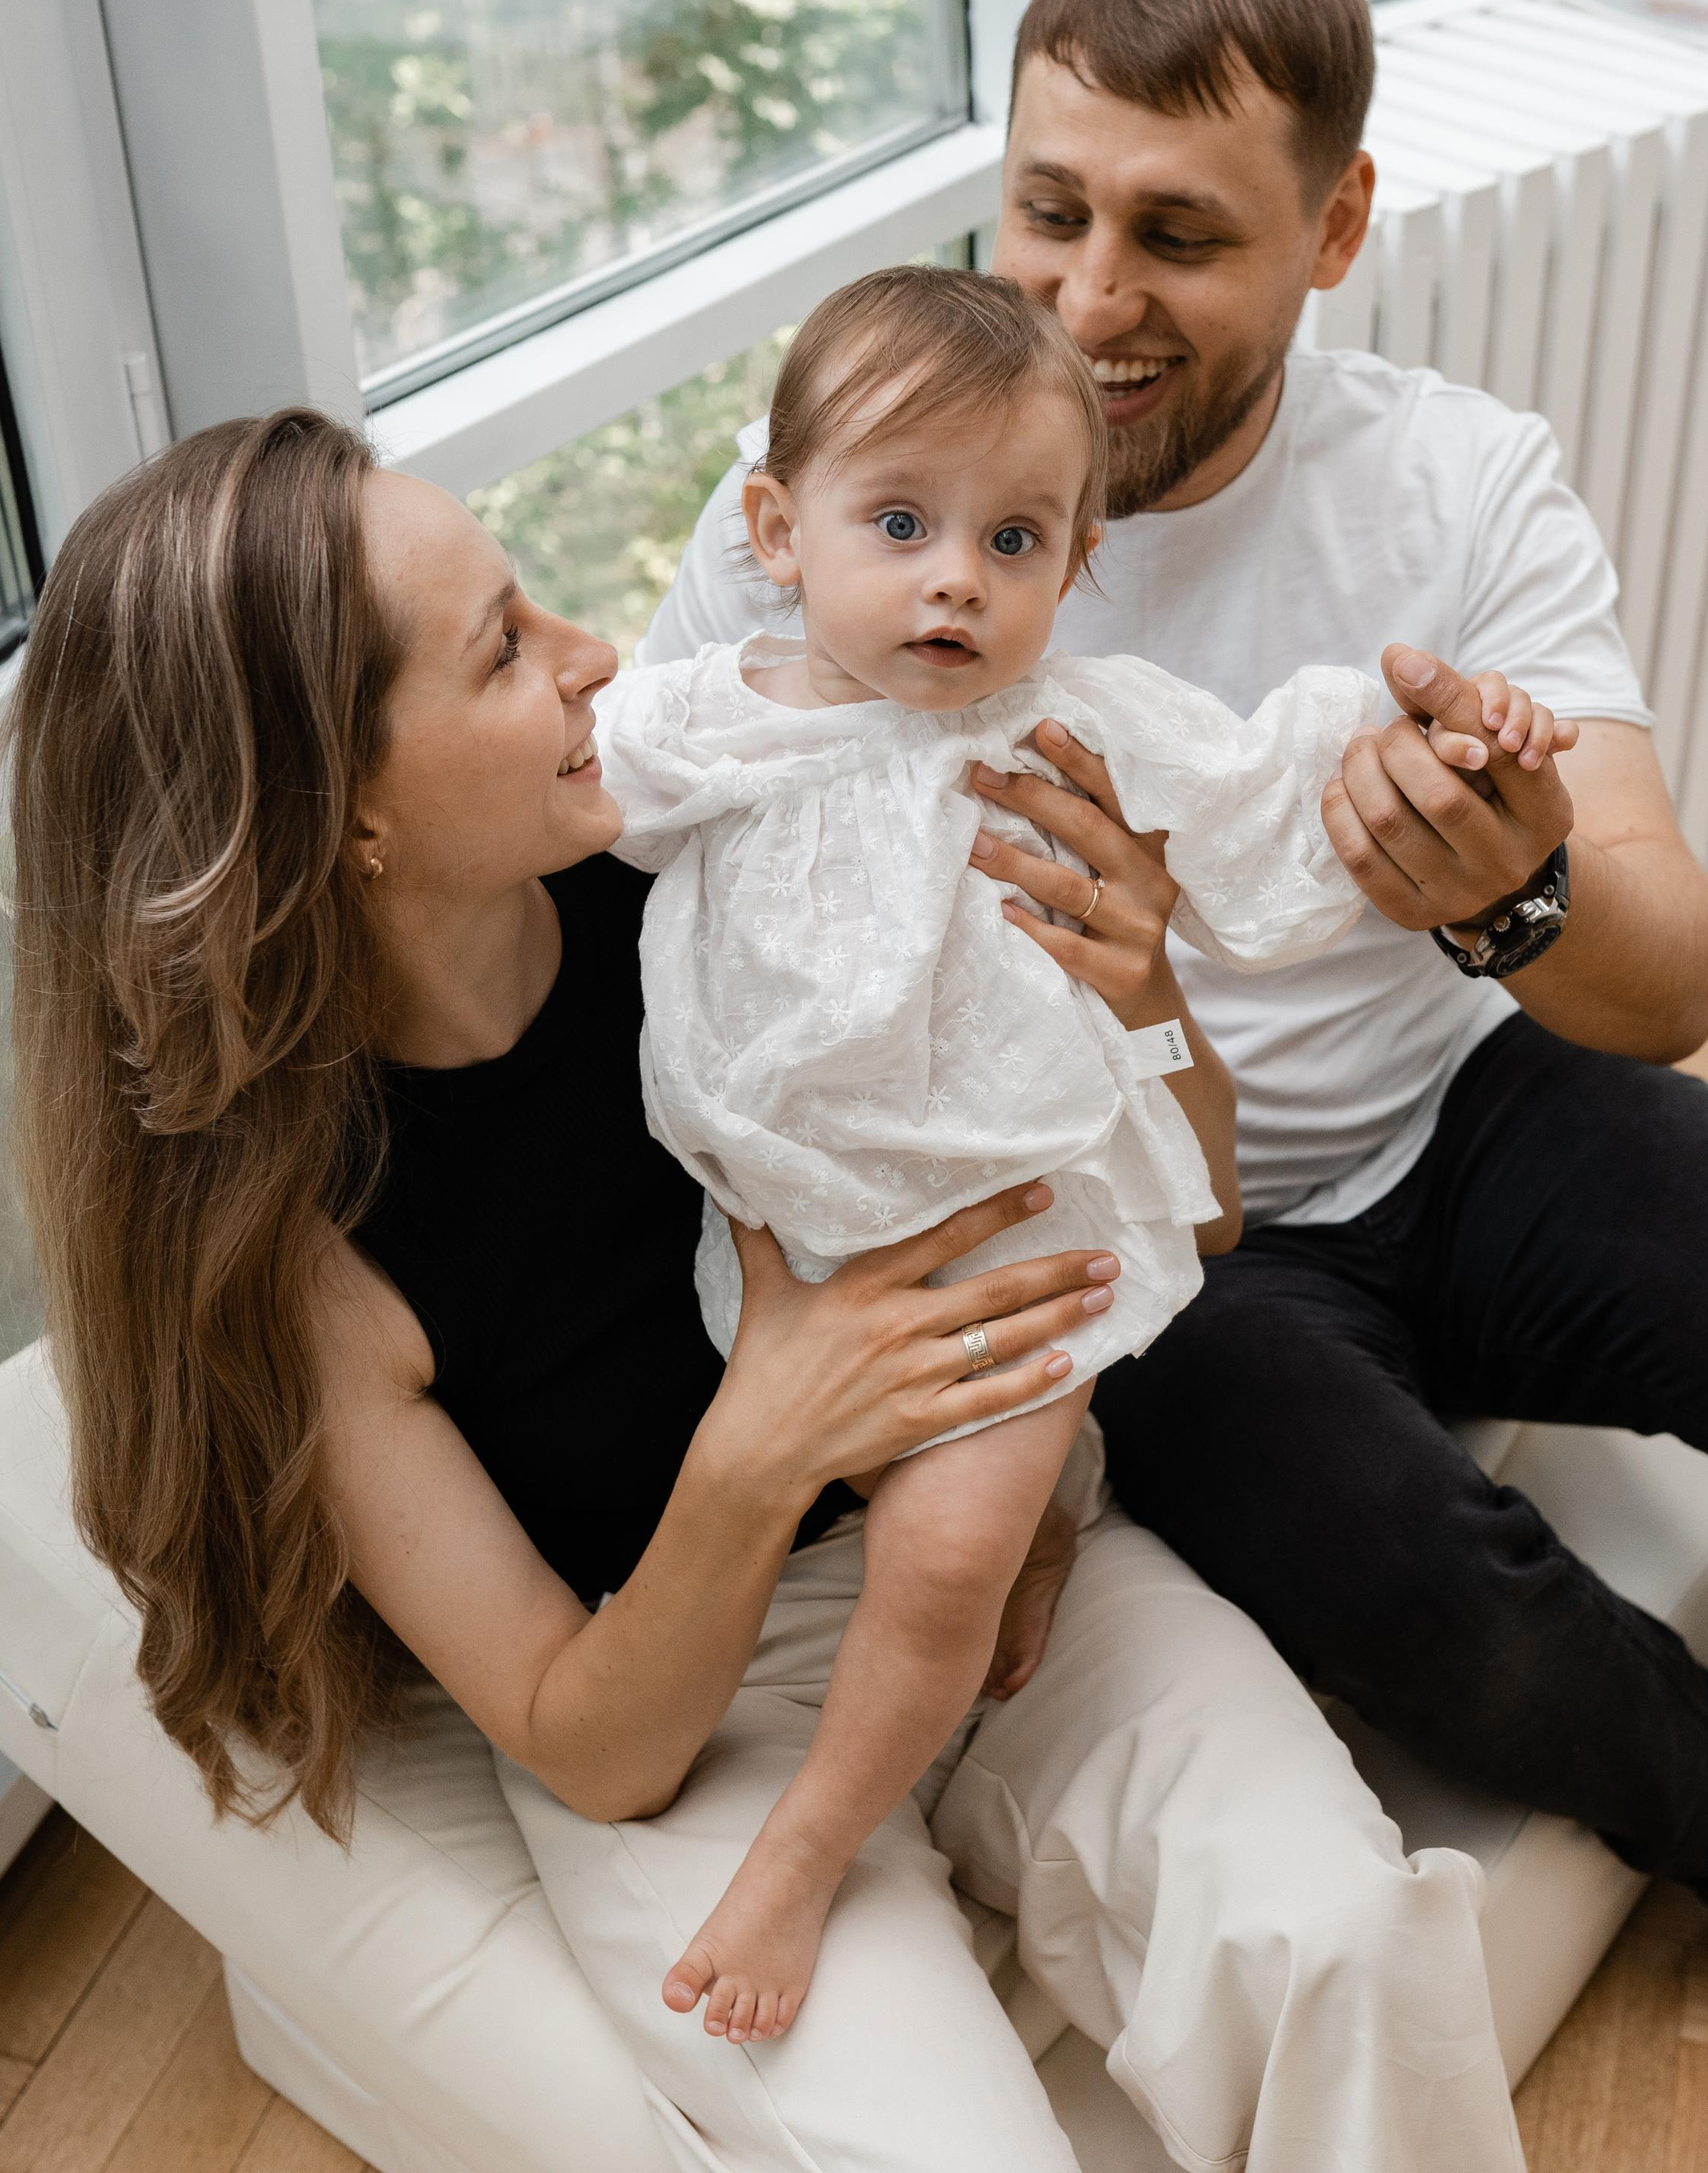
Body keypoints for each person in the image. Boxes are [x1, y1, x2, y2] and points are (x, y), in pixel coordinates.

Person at [0, 404, 1561, 2173]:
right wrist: (761, 1436)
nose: (589, 656)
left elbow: (1175, 1205)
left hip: (998, 1552)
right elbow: (586, 1738)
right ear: (337, 815)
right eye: (496, 650)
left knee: (1354, 1944)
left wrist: (1144, 999)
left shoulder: (730, 862)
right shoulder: (295, 1254)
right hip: (687, 1724)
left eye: (535, 602)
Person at [647, 0, 1708, 2173]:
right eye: (1047, 207)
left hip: (1465, 1103)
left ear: (1338, 226)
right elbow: (627, 806)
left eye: (1178, 234)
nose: (1084, 297)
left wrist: (1507, 881)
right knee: (1415, 1586)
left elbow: (1664, 980)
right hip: (1149, 1232)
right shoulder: (844, 498)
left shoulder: (1458, 489)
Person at [601, 260, 1572, 2042]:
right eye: (897, 522)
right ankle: (1068, 1501)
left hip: (1015, 1224)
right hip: (804, 1222)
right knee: (932, 1498)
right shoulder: (713, 715)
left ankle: (809, 1849)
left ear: (1074, 566)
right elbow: (551, 783)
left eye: (1017, 539)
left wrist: (1447, 727)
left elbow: (1277, 773)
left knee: (941, 1560)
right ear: (773, 527)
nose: (956, 578)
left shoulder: (1073, 727)